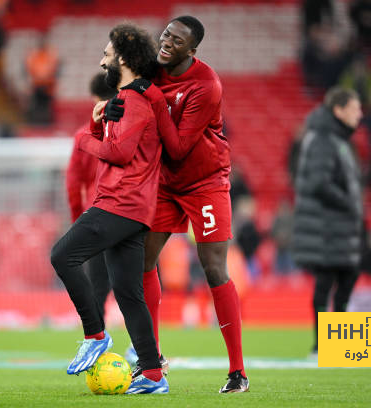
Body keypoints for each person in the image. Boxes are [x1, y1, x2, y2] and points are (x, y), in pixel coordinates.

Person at [110, 16, 248, 393]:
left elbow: (179, 148)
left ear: (192, 50)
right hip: (166, 184)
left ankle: (237, 372)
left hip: (205, 182)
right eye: (166, 35)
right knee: (142, 261)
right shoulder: (153, 69)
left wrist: (152, 96)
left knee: (213, 267)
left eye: (177, 39)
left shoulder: (206, 85)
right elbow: (124, 88)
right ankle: (151, 361)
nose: (167, 42)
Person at [50, 24, 168, 394]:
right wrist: (95, 123)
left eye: (106, 54)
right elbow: (116, 144)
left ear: (124, 59)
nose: (102, 61)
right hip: (133, 208)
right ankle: (152, 374)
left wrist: (83, 137)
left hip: (120, 204)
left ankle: (95, 333)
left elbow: (118, 154)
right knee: (129, 293)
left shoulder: (134, 101)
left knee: (61, 256)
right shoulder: (129, 101)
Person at [291, 87, 363, 355]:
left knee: (346, 277)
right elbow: (318, 182)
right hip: (326, 226)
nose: (360, 114)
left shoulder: (338, 139)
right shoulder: (323, 138)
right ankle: (321, 345)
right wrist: (349, 203)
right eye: (355, 108)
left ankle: (335, 345)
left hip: (339, 227)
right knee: (327, 281)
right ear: (339, 110)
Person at [65, 72, 117, 317]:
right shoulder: (133, 130)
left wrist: (78, 219)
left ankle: (97, 342)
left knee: (97, 286)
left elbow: (73, 184)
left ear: (94, 98)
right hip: (130, 214)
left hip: (95, 217)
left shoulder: (83, 136)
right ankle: (147, 347)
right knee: (139, 284)